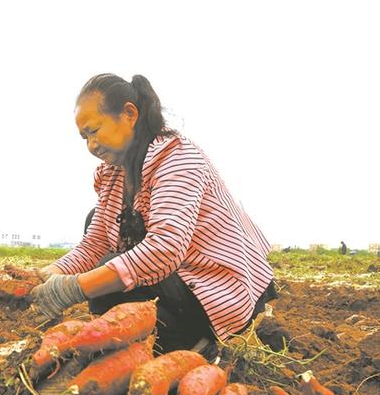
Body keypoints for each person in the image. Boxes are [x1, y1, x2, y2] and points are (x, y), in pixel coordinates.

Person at [31, 73, 277, 357]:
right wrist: (50, 274)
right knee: (97, 223)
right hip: (178, 279)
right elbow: (94, 242)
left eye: (95, 131)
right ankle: (135, 337)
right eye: (84, 137)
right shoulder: (114, 174)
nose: (91, 145)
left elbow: (165, 248)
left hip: (217, 288)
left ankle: (199, 343)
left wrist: (74, 288)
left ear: (129, 114)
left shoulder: (178, 159)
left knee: (110, 270)